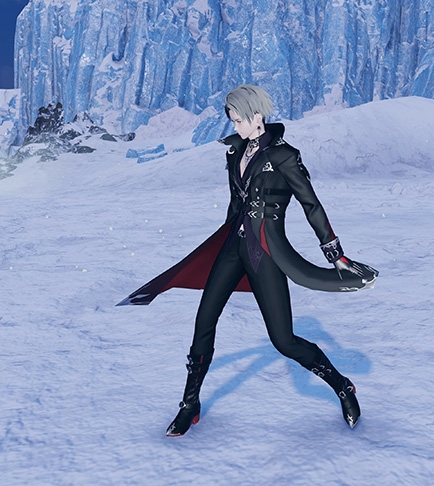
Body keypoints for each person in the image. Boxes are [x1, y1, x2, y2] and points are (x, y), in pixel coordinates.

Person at [124, 84, 377, 436]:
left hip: (267, 253)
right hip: (232, 249)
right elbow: (236, 204)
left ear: (257, 116)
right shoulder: (235, 151)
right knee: (203, 323)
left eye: (238, 120)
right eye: (232, 120)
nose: (235, 126)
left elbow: (311, 205)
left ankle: (342, 386)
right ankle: (189, 404)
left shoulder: (285, 156)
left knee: (283, 341)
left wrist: (335, 254)